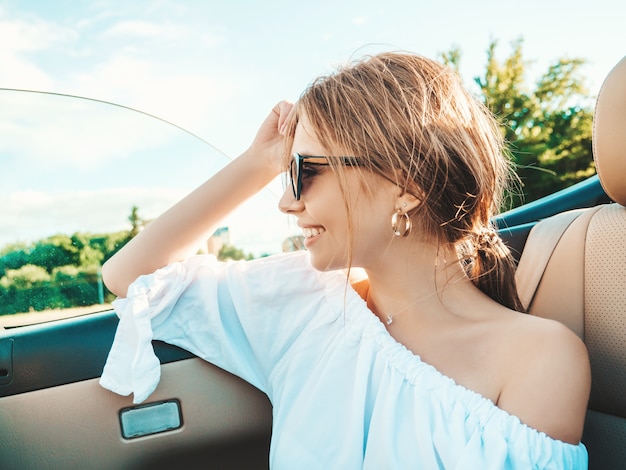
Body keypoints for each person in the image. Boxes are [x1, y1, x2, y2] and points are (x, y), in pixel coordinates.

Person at [99, 51, 590, 468]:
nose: (286, 202)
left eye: (305, 171)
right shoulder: (303, 304)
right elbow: (129, 275)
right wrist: (258, 161)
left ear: (407, 186)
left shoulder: (540, 361)